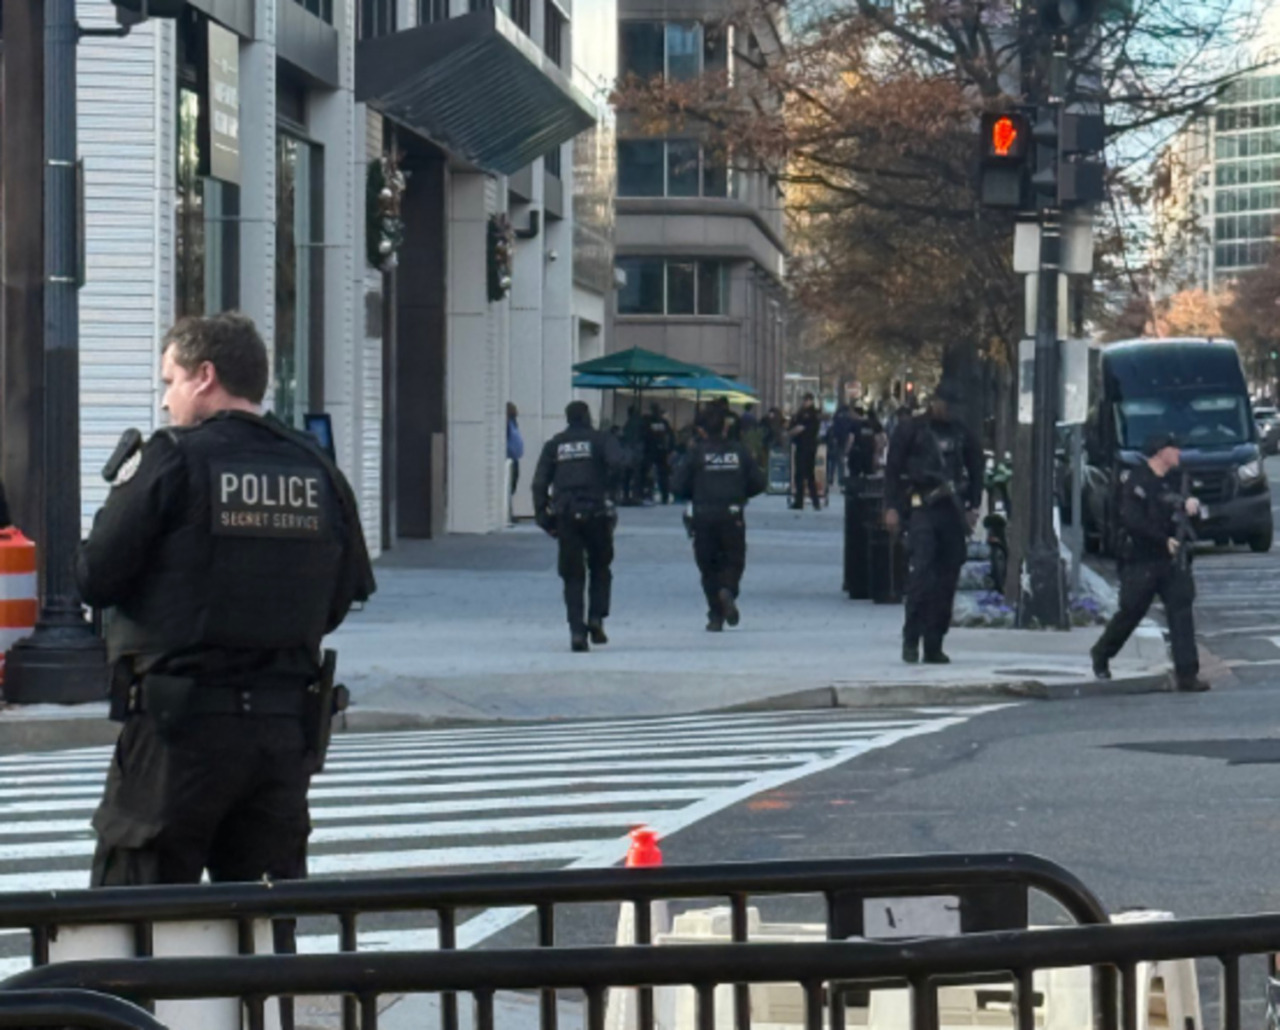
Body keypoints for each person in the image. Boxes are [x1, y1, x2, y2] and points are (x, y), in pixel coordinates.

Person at [76, 312, 376, 887]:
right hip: (281, 735)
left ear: (205, 376)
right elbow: (341, 599)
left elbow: (96, 576)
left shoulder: (172, 458)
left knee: (137, 921)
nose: (166, 402)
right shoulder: (317, 468)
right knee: (262, 922)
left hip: (177, 731)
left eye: (170, 381)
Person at [1091, 433, 1207, 692]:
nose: (1178, 453)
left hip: (1173, 559)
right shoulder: (1137, 481)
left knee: (1181, 611)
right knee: (1131, 611)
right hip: (1142, 559)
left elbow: (1192, 519)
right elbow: (1133, 521)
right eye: (1173, 448)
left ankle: (1187, 674)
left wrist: (1193, 509)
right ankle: (1102, 654)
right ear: (1159, 451)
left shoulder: (1178, 481)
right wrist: (1161, 540)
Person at [884, 382, 983, 665]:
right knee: (921, 576)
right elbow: (893, 471)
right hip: (922, 510)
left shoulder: (962, 433)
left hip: (952, 514)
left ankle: (934, 642)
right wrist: (891, 507)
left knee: (947, 580)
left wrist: (973, 506)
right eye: (943, 404)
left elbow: (976, 469)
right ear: (934, 402)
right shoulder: (911, 430)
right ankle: (911, 639)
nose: (947, 410)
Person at [532, 401, 626, 652]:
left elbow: (539, 482)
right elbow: (619, 463)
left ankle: (576, 631)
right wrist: (609, 487)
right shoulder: (601, 440)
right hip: (596, 512)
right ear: (587, 417)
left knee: (572, 574)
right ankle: (596, 618)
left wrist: (543, 516)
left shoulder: (555, 445)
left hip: (566, 514)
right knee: (600, 567)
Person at [673, 407, 767, 631]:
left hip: (704, 515)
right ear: (725, 428)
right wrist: (741, 493)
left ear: (701, 431)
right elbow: (759, 481)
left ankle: (715, 614)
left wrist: (694, 494)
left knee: (708, 566)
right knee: (734, 559)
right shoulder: (739, 451)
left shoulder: (696, 454)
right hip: (732, 513)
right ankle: (728, 589)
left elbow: (677, 484)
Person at [788, 393, 822, 510]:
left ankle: (804, 502)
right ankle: (809, 502)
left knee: (804, 475)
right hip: (805, 446)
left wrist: (790, 433)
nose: (805, 402)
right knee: (805, 475)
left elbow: (799, 428)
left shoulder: (809, 414)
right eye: (805, 400)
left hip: (806, 447)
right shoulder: (804, 413)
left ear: (811, 401)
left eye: (807, 400)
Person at [643, 403, 676, 504]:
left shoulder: (648, 422)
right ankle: (664, 495)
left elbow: (644, 436)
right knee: (662, 475)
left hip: (651, 451)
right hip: (661, 451)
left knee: (648, 473)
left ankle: (648, 493)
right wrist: (670, 449)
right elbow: (671, 437)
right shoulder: (663, 423)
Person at [827, 404, 855, 490]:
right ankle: (841, 479)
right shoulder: (849, 418)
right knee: (841, 462)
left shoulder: (836, 417)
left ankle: (830, 478)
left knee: (832, 461)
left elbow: (833, 428)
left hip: (836, 441)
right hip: (844, 440)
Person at [507, 401, 524, 522]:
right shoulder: (507, 424)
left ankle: (509, 511)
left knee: (512, 486)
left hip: (515, 458)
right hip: (509, 458)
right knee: (509, 485)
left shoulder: (513, 423)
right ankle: (508, 512)